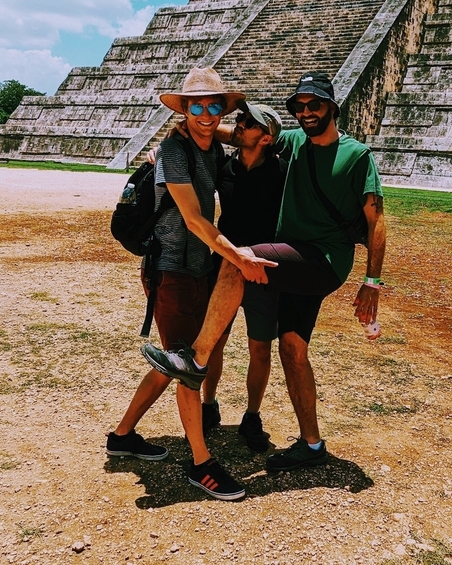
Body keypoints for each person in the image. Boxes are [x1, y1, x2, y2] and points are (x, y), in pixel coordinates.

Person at [143, 71, 388, 474]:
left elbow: (376, 220)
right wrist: (182, 134)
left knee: (242, 259)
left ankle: (195, 357)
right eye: (299, 107)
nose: (306, 112)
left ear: (332, 107)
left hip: (323, 260)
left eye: (315, 105)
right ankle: (312, 443)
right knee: (291, 349)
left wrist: (372, 283)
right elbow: (237, 135)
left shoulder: (357, 155)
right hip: (294, 262)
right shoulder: (291, 141)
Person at [105, 67, 276, 502]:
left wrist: (259, 133)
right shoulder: (174, 152)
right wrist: (237, 256)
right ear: (183, 110)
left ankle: (123, 435)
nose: (205, 113)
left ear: (221, 110)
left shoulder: (210, 146)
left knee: (176, 362)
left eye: (213, 106)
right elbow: (195, 220)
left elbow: (238, 138)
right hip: (173, 270)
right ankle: (201, 464)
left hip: (200, 269)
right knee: (187, 366)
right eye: (195, 106)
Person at [199, 102, 287, 454]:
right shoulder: (225, 165)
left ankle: (252, 414)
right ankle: (209, 405)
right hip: (223, 265)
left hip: (260, 267)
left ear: (266, 138)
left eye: (248, 122)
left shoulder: (282, 172)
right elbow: (202, 132)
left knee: (260, 346)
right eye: (240, 117)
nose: (239, 123)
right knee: (214, 340)